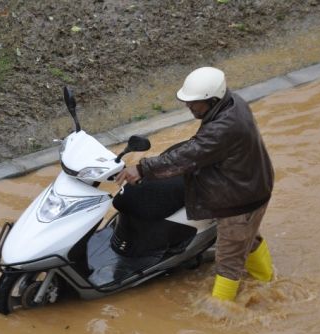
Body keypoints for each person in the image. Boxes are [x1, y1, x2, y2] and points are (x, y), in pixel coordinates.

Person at [115, 66, 274, 301]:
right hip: (250, 185)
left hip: (240, 199)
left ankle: (222, 313)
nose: (189, 106)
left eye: (194, 103)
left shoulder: (223, 128)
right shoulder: (232, 102)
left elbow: (188, 155)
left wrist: (141, 168)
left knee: (229, 261)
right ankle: (267, 282)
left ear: (211, 100)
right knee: (247, 239)